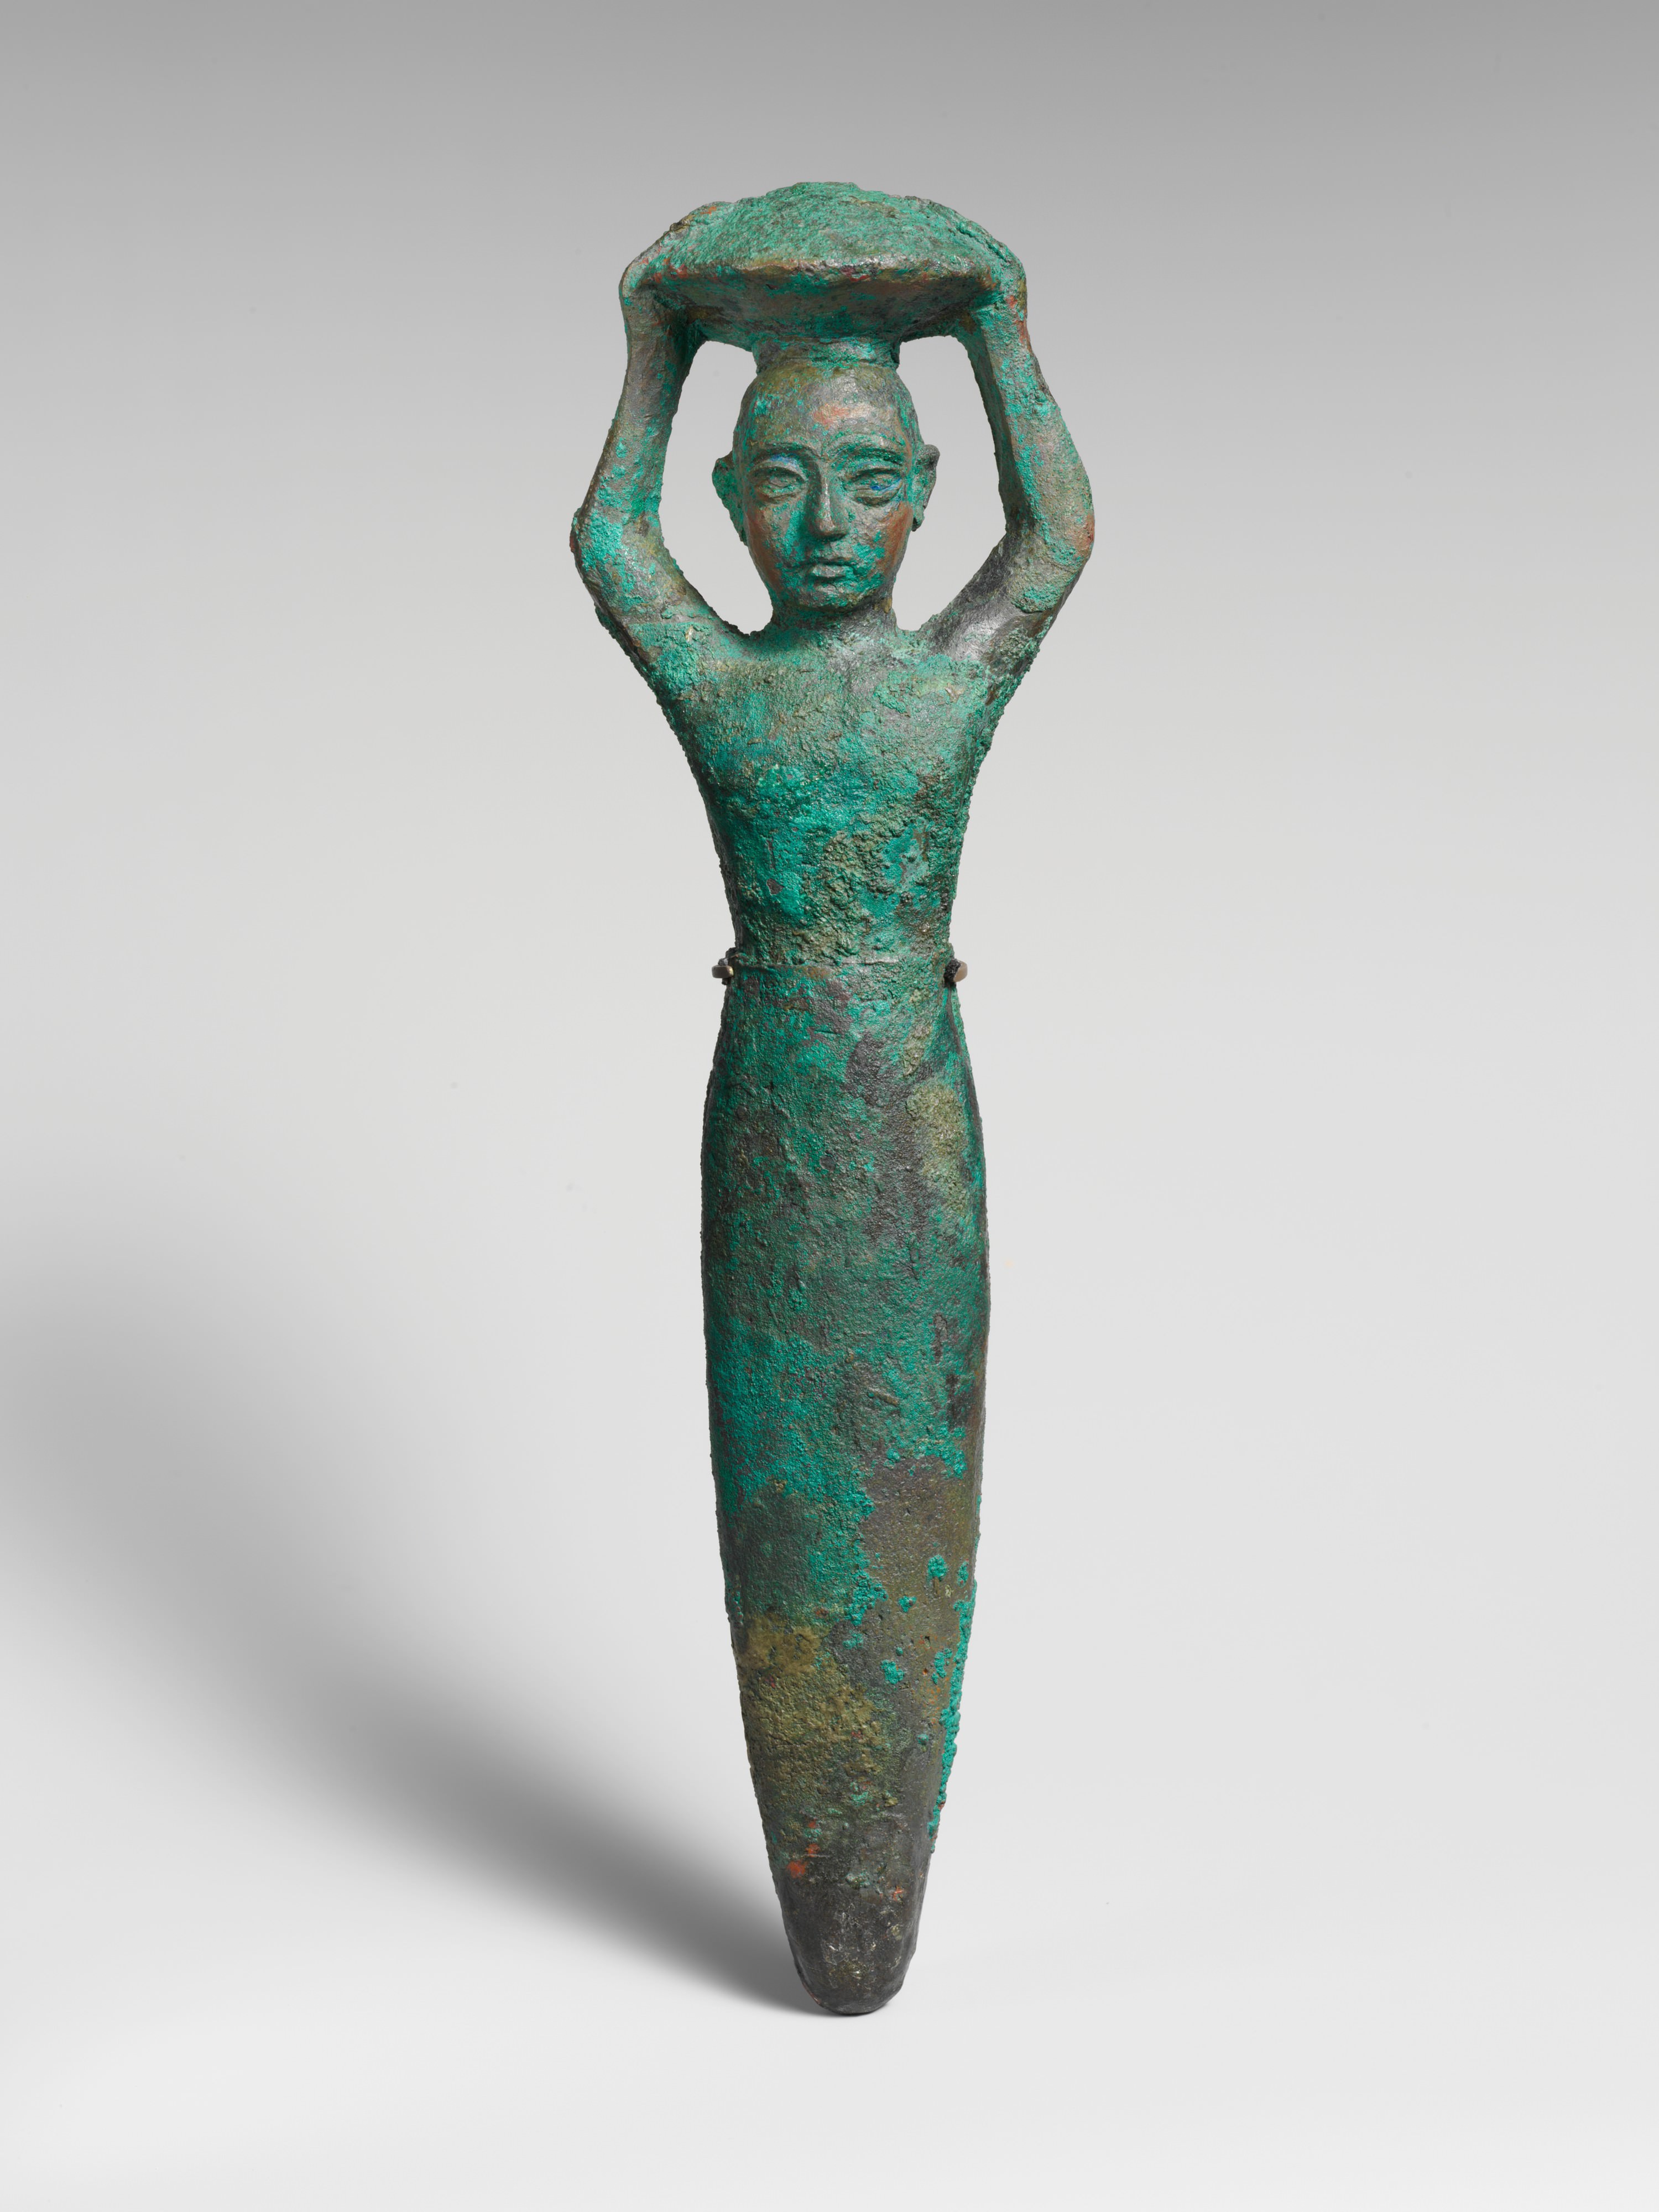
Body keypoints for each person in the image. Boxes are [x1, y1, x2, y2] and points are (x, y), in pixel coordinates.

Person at [572, 196, 1092, 2013]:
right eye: (780, 484)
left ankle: (872, 1919)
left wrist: (1000, 325)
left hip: (913, 1117)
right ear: (731, 499)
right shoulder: (728, 687)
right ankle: (837, 1921)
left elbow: (1061, 535)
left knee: (904, 1459)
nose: (823, 525)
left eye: (869, 485)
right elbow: (609, 542)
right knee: (791, 1475)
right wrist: (654, 351)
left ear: (927, 493)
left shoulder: (948, 680)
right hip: (780, 1099)